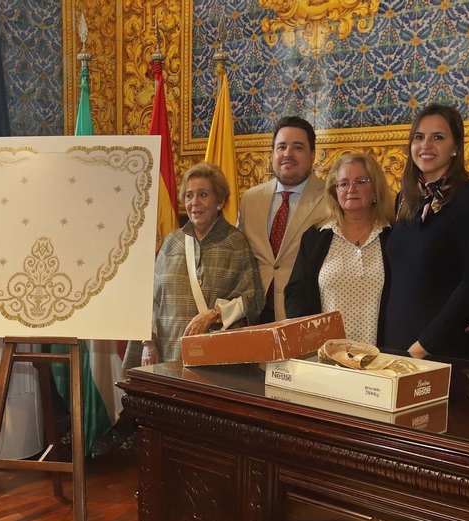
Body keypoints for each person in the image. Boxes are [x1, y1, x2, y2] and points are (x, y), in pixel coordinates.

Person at [382, 104, 469, 359]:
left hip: (440, 347)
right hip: (396, 343)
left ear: (456, 147)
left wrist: (424, 345)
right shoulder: (405, 199)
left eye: (438, 137)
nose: (426, 145)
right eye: (419, 137)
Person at [143, 162, 265, 365]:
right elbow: (151, 300)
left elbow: (253, 299)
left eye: (203, 195)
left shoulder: (236, 243)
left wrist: (214, 314)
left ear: (219, 202)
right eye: (189, 196)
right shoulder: (171, 242)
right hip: (168, 354)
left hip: (218, 358)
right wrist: (149, 344)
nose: (195, 202)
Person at [281, 151, 393, 346]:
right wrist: (310, 341)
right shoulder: (316, 236)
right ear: (334, 192)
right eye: (343, 183)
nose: (351, 189)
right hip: (327, 358)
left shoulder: (393, 235)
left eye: (361, 181)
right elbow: (295, 293)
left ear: (375, 189)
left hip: (382, 357)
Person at [238, 116, 332, 323]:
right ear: (272, 154)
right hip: (252, 315)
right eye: (281, 147)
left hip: (304, 314)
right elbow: (240, 259)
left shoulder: (332, 198)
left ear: (313, 154)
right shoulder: (250, 199)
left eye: (297, 147)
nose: (288, 154)